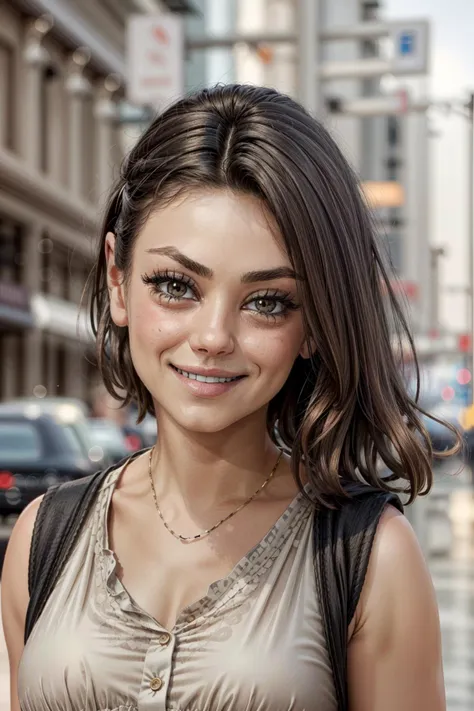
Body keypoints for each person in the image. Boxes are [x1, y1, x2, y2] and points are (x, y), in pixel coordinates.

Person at [2, 84, 457, 711]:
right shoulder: (43, 536)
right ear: (117, 280)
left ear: (315, 324)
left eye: (267, 301)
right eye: (175, 285)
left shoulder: (371, 557)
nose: (213, 337)